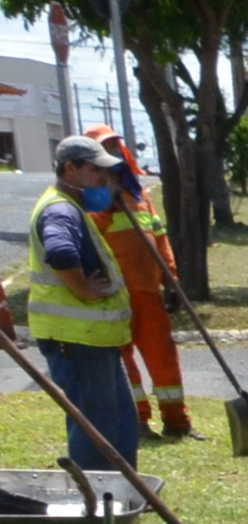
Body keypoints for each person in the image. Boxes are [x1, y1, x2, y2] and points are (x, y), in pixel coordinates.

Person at [13, 137, 142, 473]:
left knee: (118, 419)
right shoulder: (60, 209)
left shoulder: (72, 208)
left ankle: (124, 493)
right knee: (96, 425)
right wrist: (85, 289)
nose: (105, 178)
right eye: (96, 169)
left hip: (92, 339)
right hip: (76, 339)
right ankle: (98, 502)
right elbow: (60, 252)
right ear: (70, 167)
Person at [94, 134, 190, 439]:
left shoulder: (140, 196)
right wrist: (105, 201)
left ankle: (177, 422)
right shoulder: (93, 200)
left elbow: (159, 238)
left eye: (115, 148)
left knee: (164, 358)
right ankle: (137, 422)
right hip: (115, 295)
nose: (113, 154)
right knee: (124, 362)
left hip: (148, 292)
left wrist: (172, 280)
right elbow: (89, 236)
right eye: (105, 149)